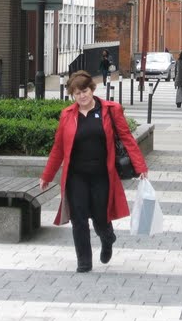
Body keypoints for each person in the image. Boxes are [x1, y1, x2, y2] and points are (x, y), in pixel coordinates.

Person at [40, 71, 148, 273]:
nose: (82, 96)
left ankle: (107, 238)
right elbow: (58, 148)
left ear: (92, 89)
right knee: (78, 218)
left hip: (102, 175)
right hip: (76, 176)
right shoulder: (67, 115)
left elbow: (126, 138)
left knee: (100, 216)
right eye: (77, 93)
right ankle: (84, 262)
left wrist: (140, 167)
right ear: (72, 95)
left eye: (85, 91)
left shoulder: (110, 110)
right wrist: (47, 175)